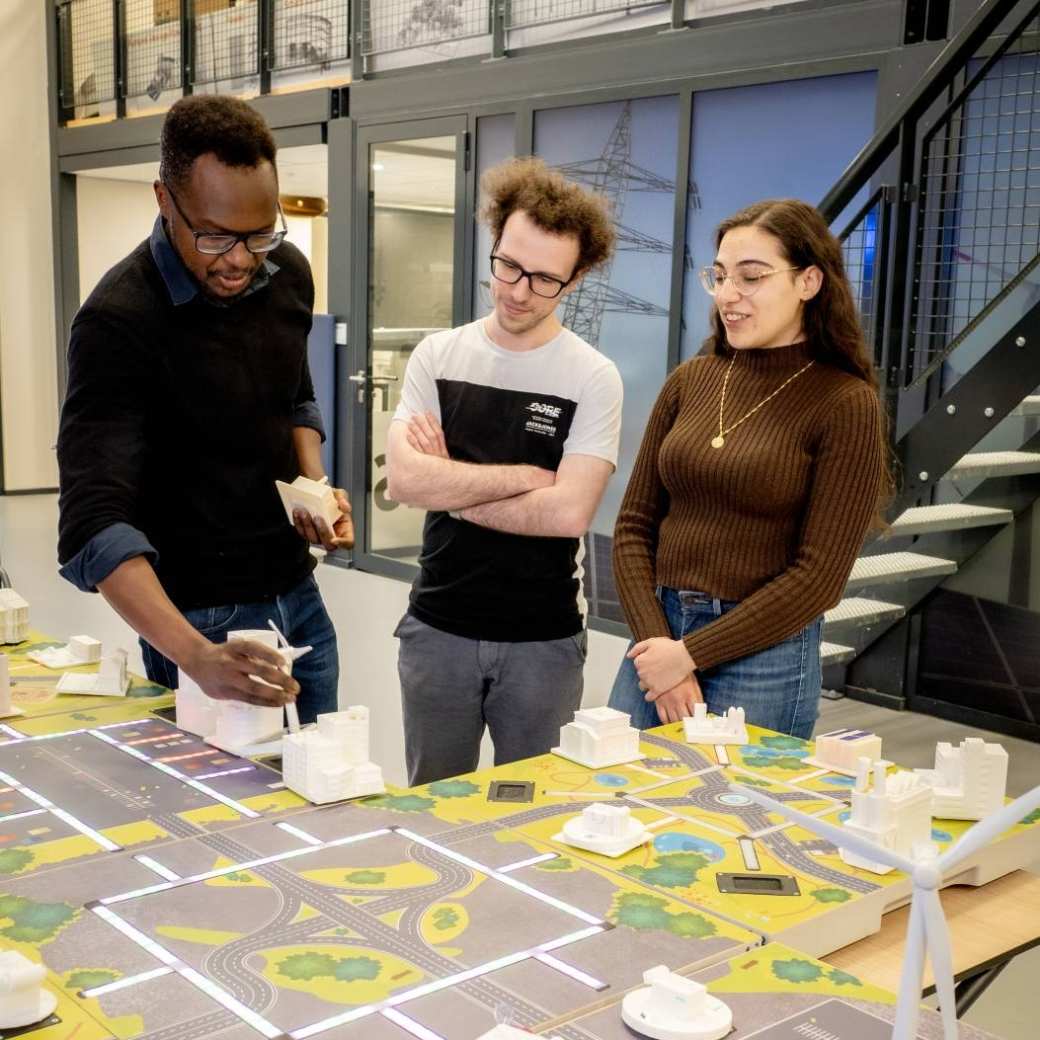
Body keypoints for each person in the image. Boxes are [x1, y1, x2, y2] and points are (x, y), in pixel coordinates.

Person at [57, 95, 352, 721]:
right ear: (165, 201)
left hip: (297, 592)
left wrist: (314, 487)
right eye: (216, 236)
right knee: (233, 812)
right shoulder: (118, 321)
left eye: (260, 232)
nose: (242, 260)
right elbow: (94, 524)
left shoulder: (288, 272)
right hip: (202, 616)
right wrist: (195, 655)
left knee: (323, 796)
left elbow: (294, 395)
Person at [608, 198, 886, 739]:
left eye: (751, 277)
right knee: (619, 809)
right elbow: (633, 528)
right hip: (658, 634)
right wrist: (661, 651)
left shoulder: (845, 402)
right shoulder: (691, 380)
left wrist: (690, 654)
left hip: (766, 655)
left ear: (809, 282)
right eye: (719, 276)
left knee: (738, 817)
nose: (728, 295)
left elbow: (818, 577)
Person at [387, 157, 623, 785]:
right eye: (509, 266)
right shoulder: (439, 355)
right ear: (495, 245)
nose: (519, 291)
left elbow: (569, 513)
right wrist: (524, 476)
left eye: (545, 279)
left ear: (573, 283)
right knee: (433, 808)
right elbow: (405, 482)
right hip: (438, 627)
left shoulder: (592, 377)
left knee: (532, 816)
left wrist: (451, 483)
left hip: (541, 641)